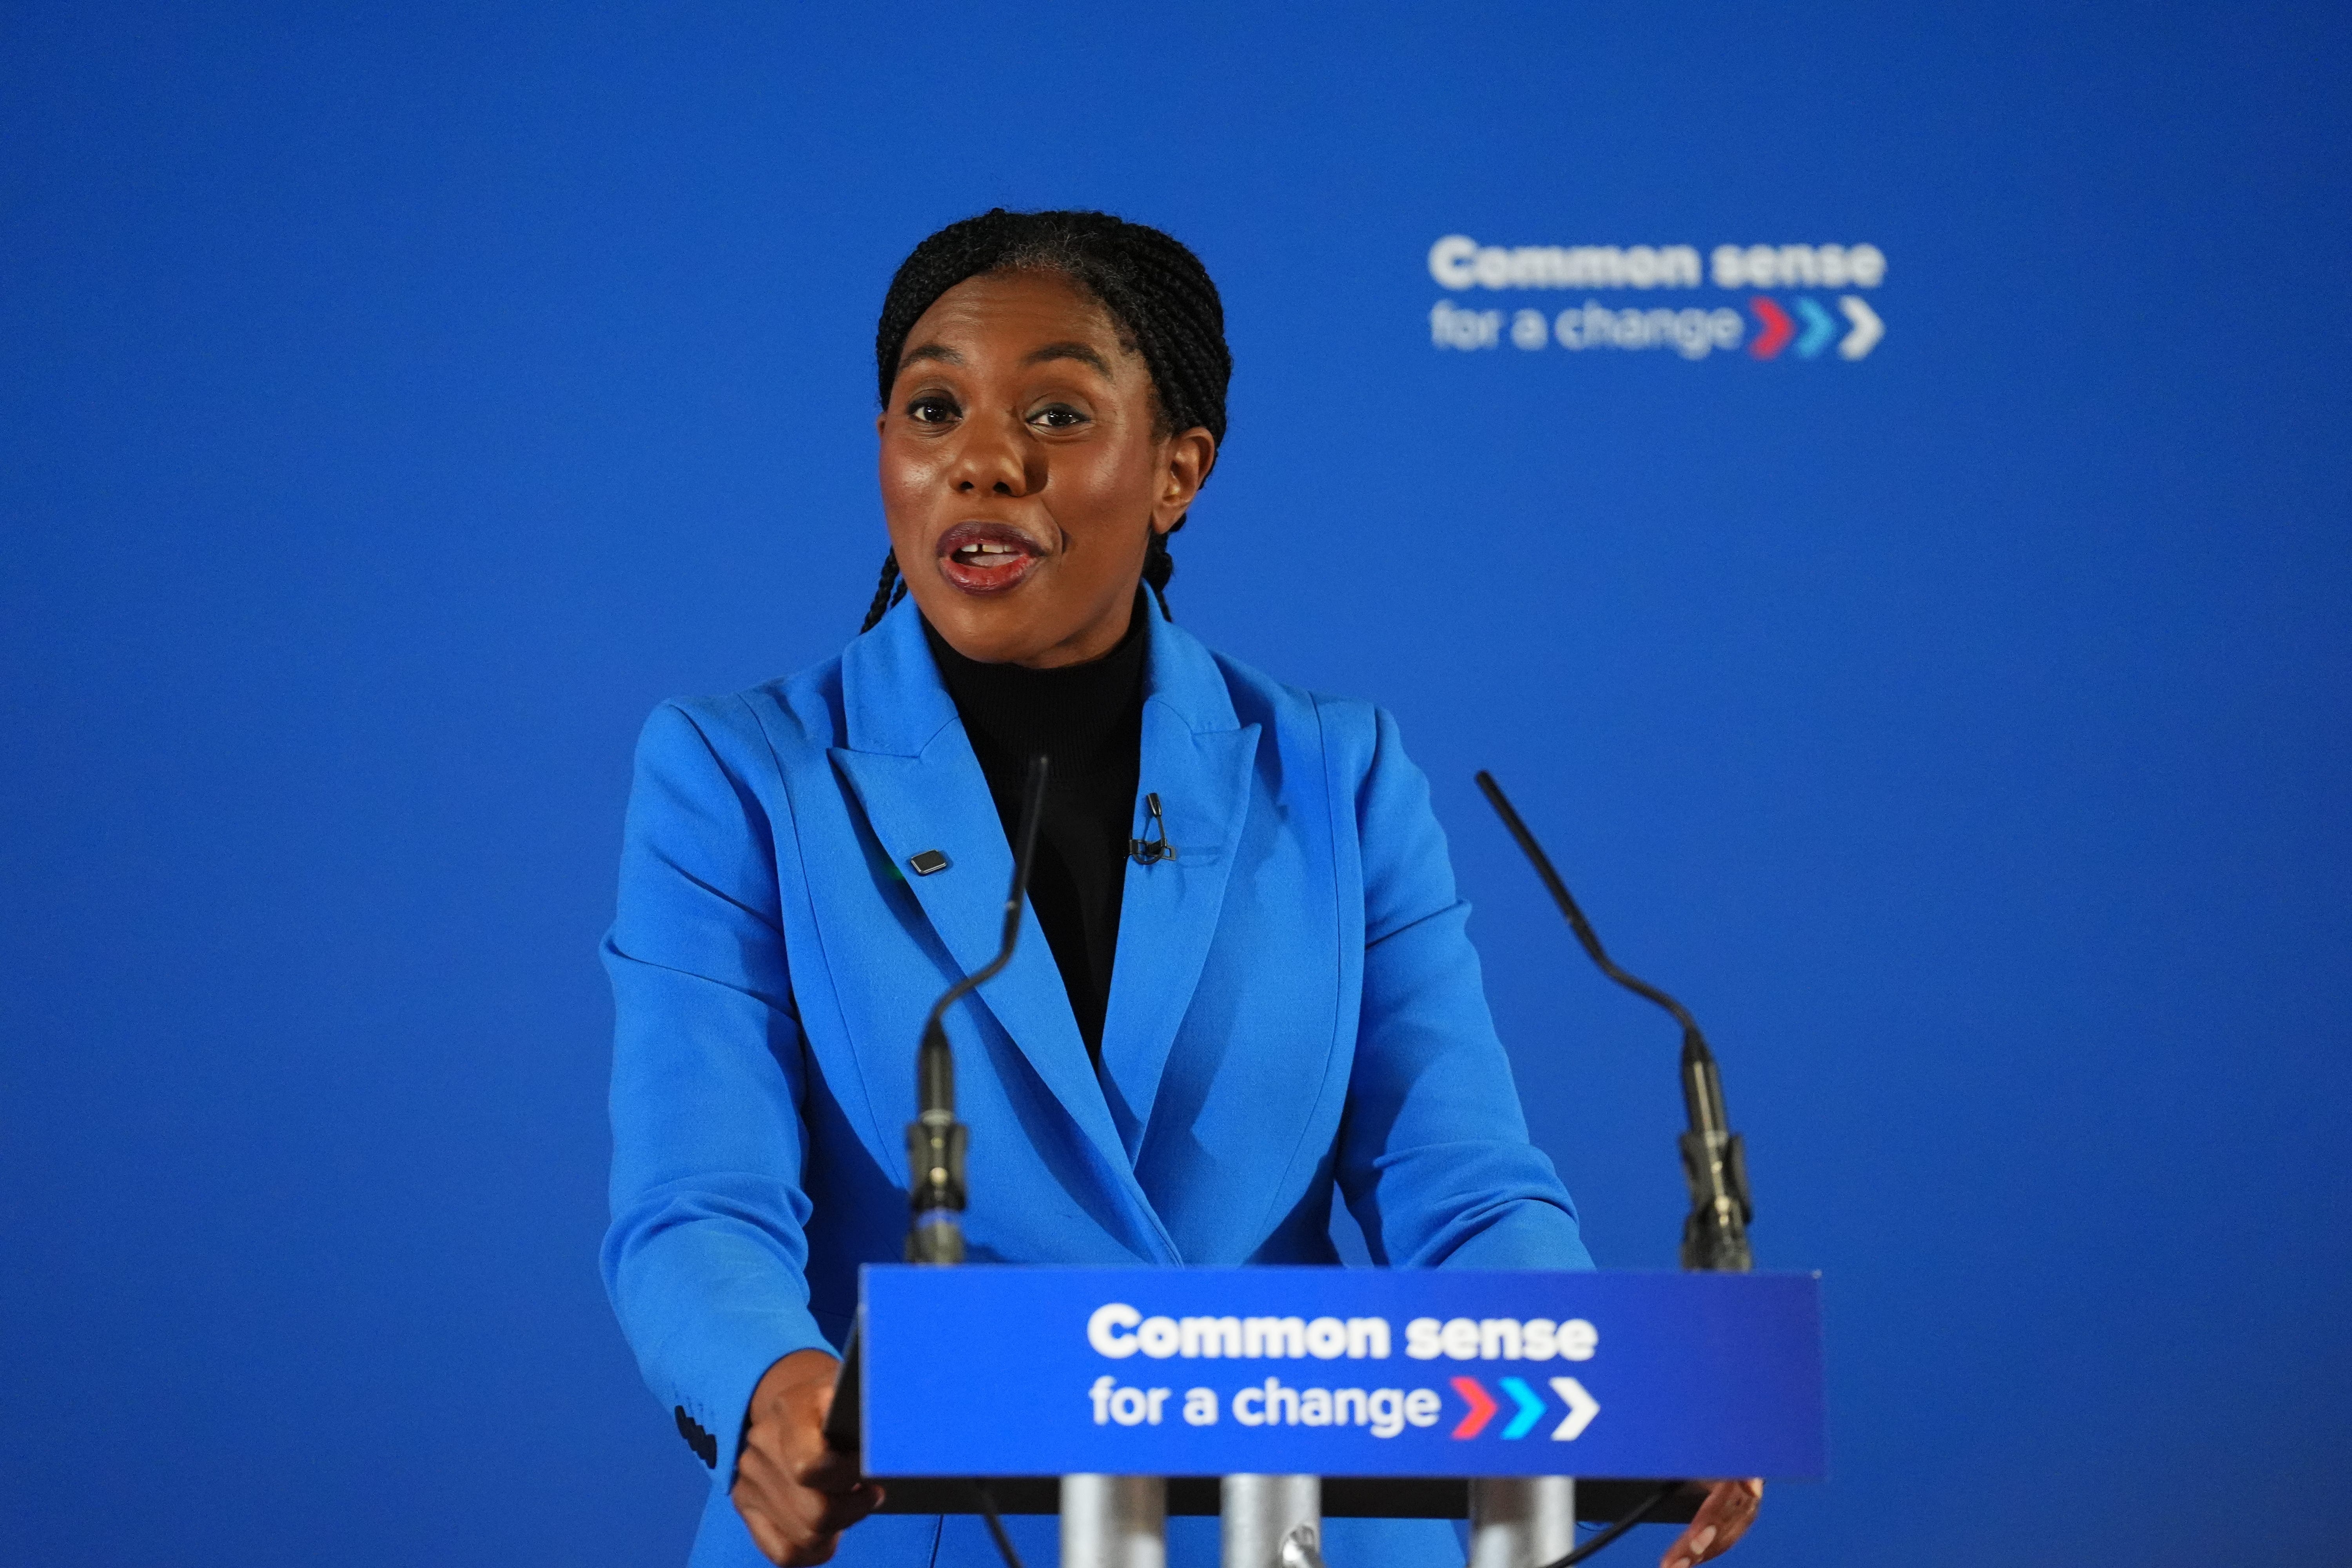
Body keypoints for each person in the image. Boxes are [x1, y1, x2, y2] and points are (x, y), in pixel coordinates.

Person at [602, 209, 1763, 1568]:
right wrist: (770, 1386)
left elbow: (1462, 1187)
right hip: (917, 1519)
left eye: (1055, 414)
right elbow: (698, 1204)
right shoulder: (743, 775)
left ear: (1177, 471)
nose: (982, 460)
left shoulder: (1337, 773)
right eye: (932, 410)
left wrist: (1608, 1388)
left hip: (1287, 1521)